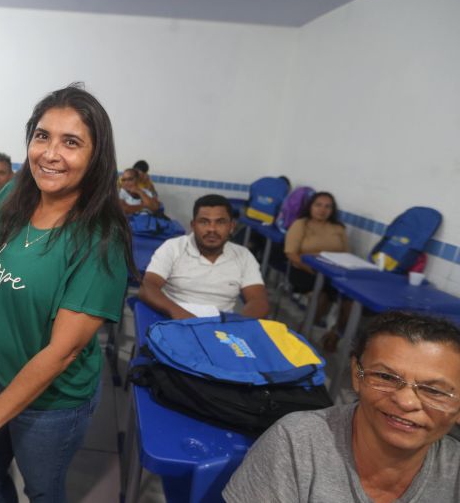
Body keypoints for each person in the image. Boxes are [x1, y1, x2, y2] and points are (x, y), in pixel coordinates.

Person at [0, 85, 131, 502]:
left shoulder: (99, 241)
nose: (50, 153)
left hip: (52, 403)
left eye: (71, 142)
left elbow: (62, 352)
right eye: (42, 136)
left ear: (96, 157)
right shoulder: (14, 195)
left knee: (41, 489)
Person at [223, 311, 460, 502]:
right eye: (385, 377)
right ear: (357, 376)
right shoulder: (297, 443)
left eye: (434, 391)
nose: (406, 401)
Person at [139, 194, 269, 318]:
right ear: (193, 226)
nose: (212, 229)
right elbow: (148, 287)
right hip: (174, 319)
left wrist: (240, 325)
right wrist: (178, 313)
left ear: (231, 227)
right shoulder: (173, 247)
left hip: (221, 326)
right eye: (204, 222)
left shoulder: (243, 255)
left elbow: (258, 299)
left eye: (220, 222)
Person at [284, 191, 351, 351]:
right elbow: (291, 254)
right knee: (322, 296)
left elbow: (346, 255)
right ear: (310, 206)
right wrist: (314, 270)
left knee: (351, 302)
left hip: (332, 274)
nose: (322, 210)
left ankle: (334, 335)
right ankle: (297, 339)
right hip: (304, 271)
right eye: (318, 205)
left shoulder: (338, 228)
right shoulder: (301, 224)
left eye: (328, 206)